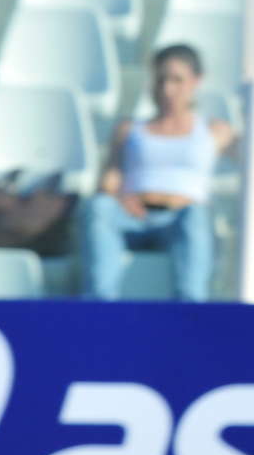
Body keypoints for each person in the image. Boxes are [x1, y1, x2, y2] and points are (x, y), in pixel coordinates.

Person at [83, 45, 231, 302]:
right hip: (132, 217)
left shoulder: (214, 131)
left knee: (196, 216)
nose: (167, 89)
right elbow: (109, 181)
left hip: (181, 218)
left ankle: (191, 305)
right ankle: (101, 302)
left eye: (176, 80)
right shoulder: (129, 129)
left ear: (196, 81)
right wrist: (121, 198)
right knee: (100, 208)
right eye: (161, 80)